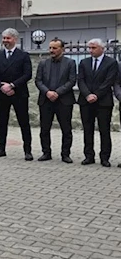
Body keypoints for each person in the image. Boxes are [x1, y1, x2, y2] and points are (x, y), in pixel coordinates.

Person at [0, 28, 33, 160]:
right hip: (2, 93)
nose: (5, 41)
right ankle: (1, 148)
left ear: (15, 39)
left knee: (23, 122)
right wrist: (1, 86)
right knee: (2, 122)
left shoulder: (23, 56)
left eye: (8, 38)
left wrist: (12, 85)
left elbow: (27, 74)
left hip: (18, 93)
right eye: (3, 38)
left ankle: (27, 151)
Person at [78, 38, 118, 167]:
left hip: (103, 102)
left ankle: (105, 157)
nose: (90, 50)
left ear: (102, 48)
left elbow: (109, 81)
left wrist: (96, 95)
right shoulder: (84, 62)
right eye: (89, 48)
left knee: (104, 130)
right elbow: (81, 80)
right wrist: (88, 94)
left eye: (93, 48)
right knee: (87, 129)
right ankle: (89, 156)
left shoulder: (111, 63)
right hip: (86, 101)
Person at [35, 38, 76, 163]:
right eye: (50, 48)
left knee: (66, 129)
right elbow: (38, 80)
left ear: (62, 49)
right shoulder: (43, 63)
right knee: (44, 128)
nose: (51, 50)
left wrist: (57, 92)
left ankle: (65, 154)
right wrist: (47, 92)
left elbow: (72, 81)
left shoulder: (70, 63)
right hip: (46, 100)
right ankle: (46, 152)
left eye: (55, 48)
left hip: (63, 100)